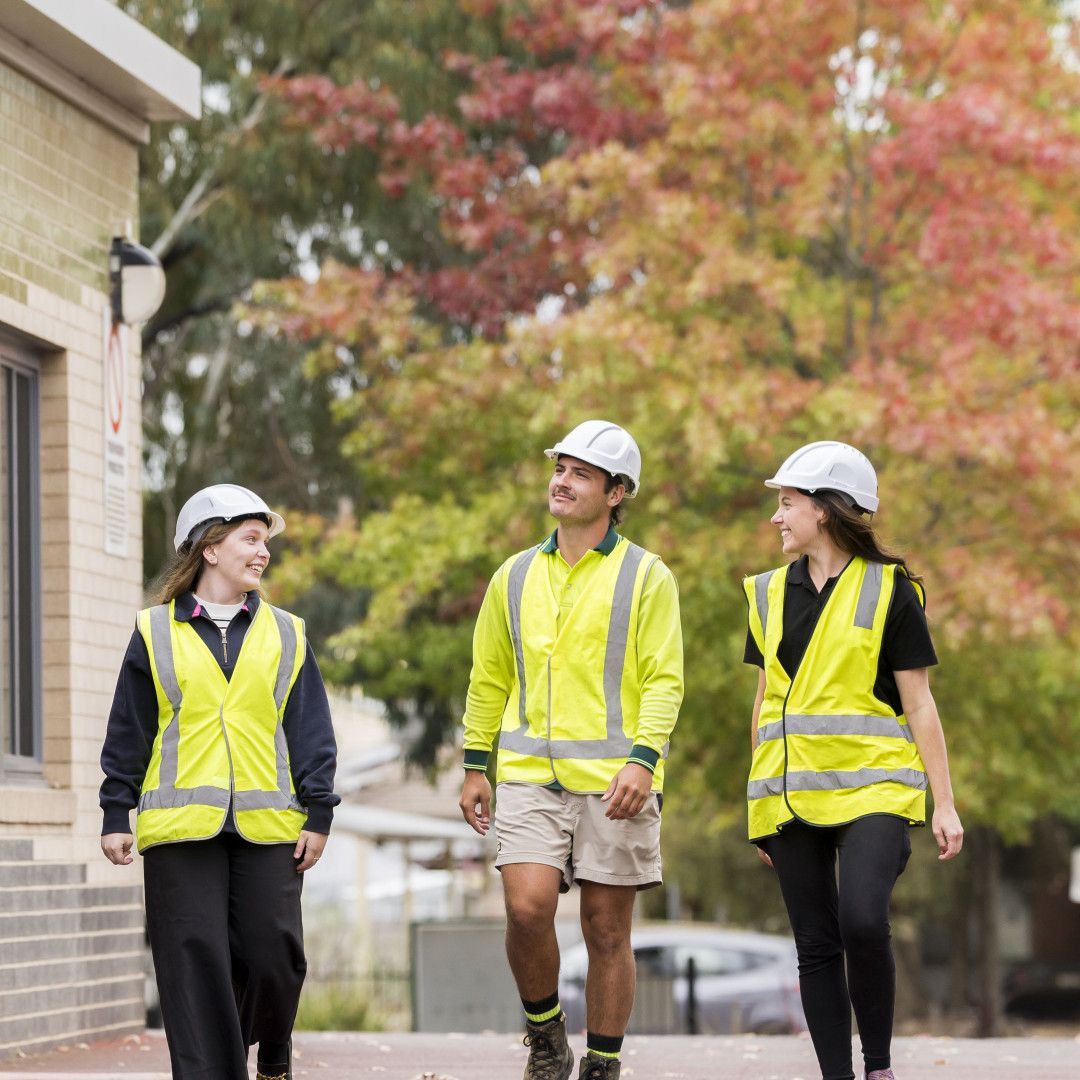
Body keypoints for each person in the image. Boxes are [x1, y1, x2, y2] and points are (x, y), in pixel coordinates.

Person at [459, 420, 683, 1080]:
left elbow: (665, 677)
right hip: (530, 775)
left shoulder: (647, 577)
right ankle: (545, 1034)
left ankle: (603, 1064)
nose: (560, 480)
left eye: (580, 473)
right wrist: (477, 762)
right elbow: (490, 674)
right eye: (559, 468)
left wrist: (644, 759)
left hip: (618, 781)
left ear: (616, 493)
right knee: (526, 908)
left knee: (606, 931)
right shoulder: (515, 576)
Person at [99, 484, 339, 1080]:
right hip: (179, 828)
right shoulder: (154, 632)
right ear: (209, 547)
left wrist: (320, 813)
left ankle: (273, 1048)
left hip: (268, 825)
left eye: (265, 542)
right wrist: (114, 810)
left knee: (274, 955)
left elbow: (311, 728)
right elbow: (129, 726)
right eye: (250, 539)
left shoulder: (288, 633)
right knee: (193, 961)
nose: (262, 553)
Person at [743, 442, 963, 1080]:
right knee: (815, 944)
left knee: (864, 921)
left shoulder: (891, 591)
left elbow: (920, 704)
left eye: (787, 504)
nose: (777, 518)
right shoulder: (765, 595)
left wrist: (944, 802)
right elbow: (766, 702)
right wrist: (758, 797)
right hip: (787, 794)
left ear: (827, 510)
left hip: (874, 790)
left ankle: (879, 1067)